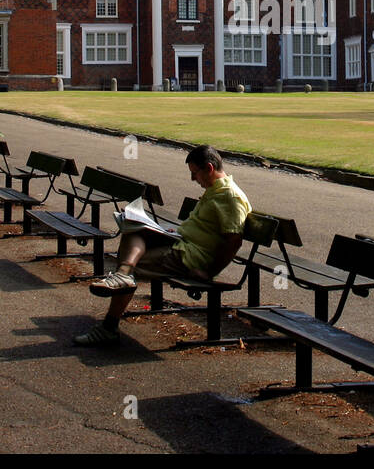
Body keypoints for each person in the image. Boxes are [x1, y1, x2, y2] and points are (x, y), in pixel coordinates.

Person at [74, 144, 251, 346]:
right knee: (133, 228)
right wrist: (172, 233)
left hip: (190, 257)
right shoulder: (216, 190)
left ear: (209, 168)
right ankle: (122, 277)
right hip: (182, 244)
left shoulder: (229, 196)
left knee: (133, 265)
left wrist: (208, 272)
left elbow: (234, 240)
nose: (193, 179)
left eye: (195, 173)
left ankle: (109, 324)